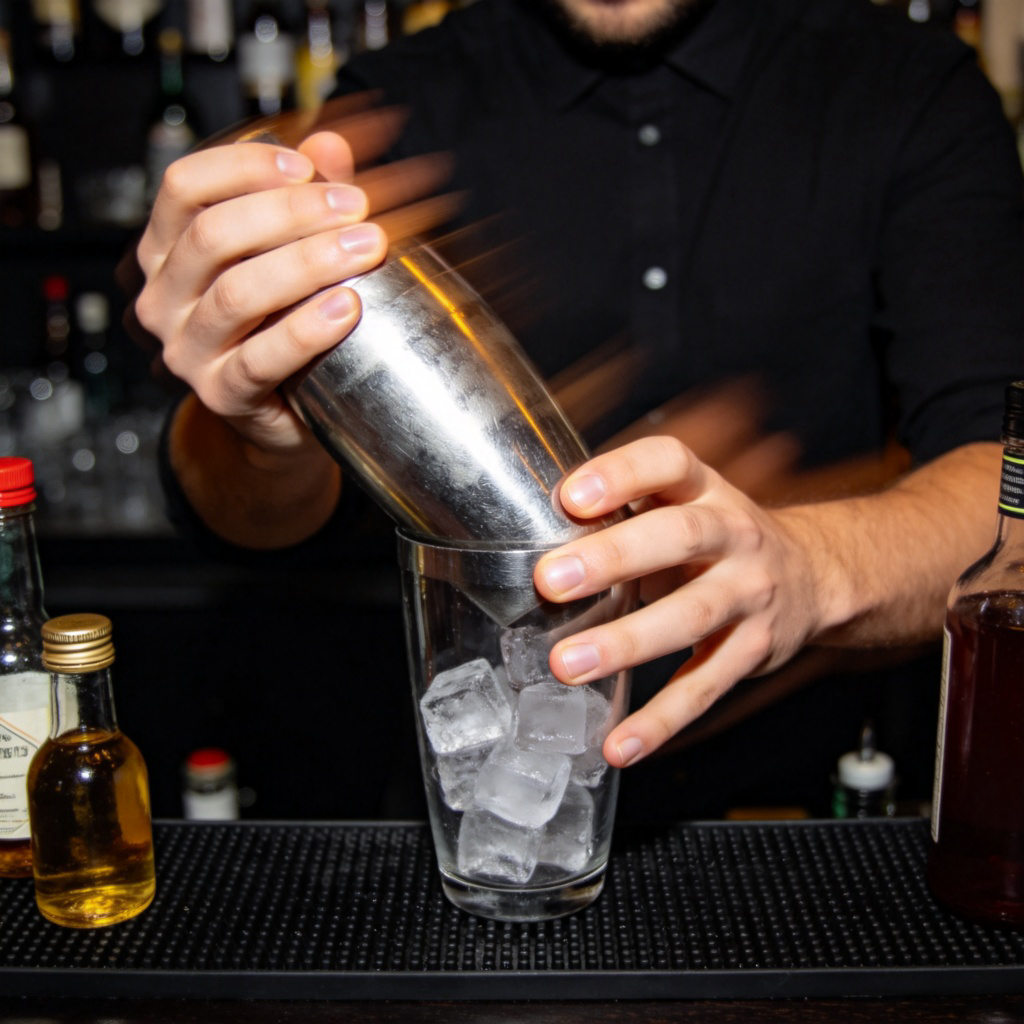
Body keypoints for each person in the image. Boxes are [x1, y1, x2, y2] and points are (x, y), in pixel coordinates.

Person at [127, 0, 1022, 817]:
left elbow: (1004, 491)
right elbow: (247, 522)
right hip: (490, 818)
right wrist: (263, 427)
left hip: (807, 809)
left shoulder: (907, 86)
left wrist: (813, 569)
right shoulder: (396, 103)